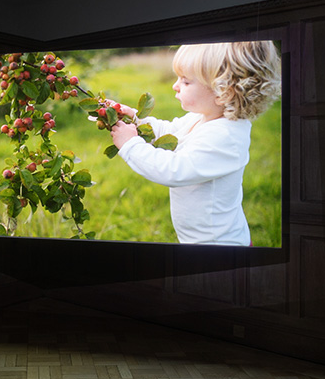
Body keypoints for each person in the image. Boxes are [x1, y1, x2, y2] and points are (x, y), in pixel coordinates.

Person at [110, 41, 281, 245]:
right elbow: (170, 132)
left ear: (223, 92)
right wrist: (136, 121)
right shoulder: (204, 117)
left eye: (186, 81)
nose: (175, 85)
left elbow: (173, 170)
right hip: (202, 241)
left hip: (219, 245)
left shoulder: (226, 137)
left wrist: (130, 145)